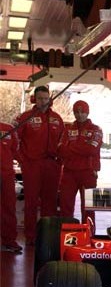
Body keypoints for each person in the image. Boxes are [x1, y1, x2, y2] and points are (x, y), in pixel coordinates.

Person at [13, 85, 65, 245]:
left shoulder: (57, 118)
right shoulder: (25, 117)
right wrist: (23, 160)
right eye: (40, 98)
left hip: (52, 165)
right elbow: (14, 142)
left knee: (49, 203)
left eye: (46, 98)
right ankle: (31, 237)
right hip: (32, 165)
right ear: (35, 99)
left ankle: (46, 236)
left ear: (50, 98)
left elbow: (64, 142)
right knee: (31, 201)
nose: (43, 101)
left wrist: (60, 160)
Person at [58, 100, 103, 221]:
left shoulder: (96, 129)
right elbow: (61, 150)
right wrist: (82, 147)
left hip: (88, 173)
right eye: (76, 112)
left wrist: (71, 147)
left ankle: (88, 236)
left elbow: (92, 150)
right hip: (69, 172)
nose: (79, 115)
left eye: (82, 112)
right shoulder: (67, 129)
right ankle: (67, 234)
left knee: (88, 207)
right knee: (65, 204)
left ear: (87, 112)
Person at [0, 122, 21, 253]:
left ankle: (9, 241)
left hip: (7, 174)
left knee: (9, 207)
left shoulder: (8, 129)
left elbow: (15, 151)